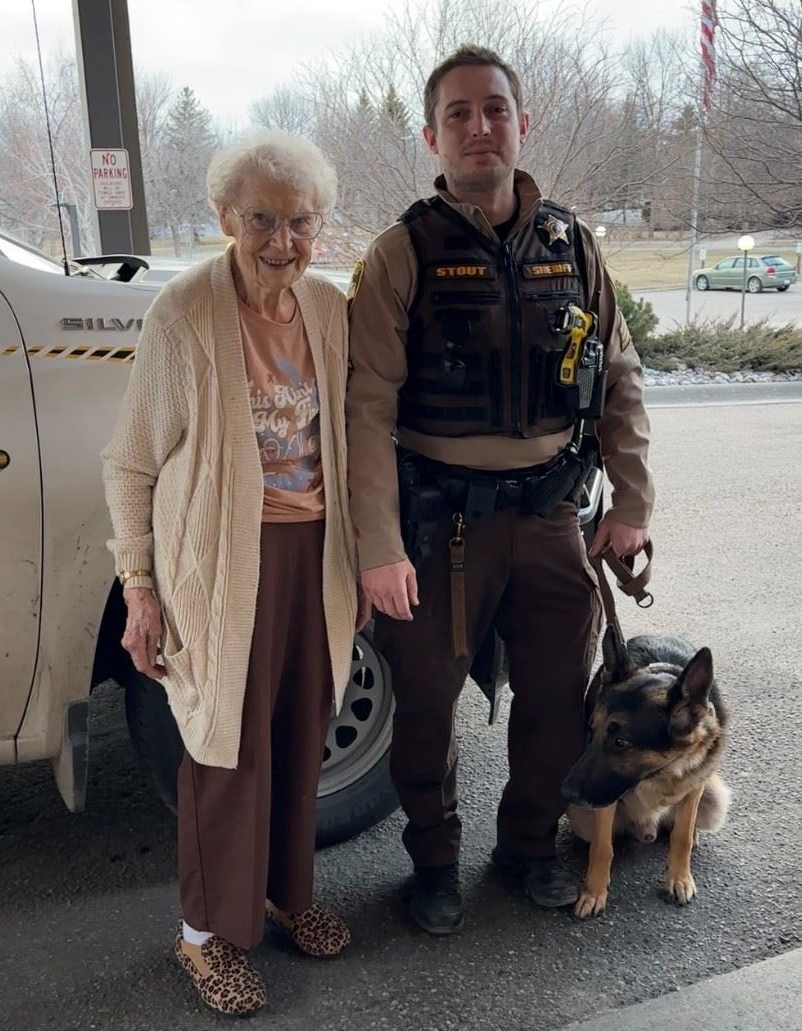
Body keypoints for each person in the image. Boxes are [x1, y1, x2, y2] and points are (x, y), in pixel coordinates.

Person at [346, 45, 654, 935]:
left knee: (558, 696)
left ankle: (525, 846)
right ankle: (433, 860)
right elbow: (366, 409)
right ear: (432, 135)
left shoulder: (574, 245)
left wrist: (631, 502)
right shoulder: (400, 253)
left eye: (495, 110)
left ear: (524, 123)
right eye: (458, 114)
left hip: (555, 513)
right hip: (440, 524)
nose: (479, 127)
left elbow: (620, 377)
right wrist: (378, 544)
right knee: (427, 701)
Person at [102, 131, 364, 1016]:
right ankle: (203, 936)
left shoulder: (330, 310)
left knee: (299, 734)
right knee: (224, 748)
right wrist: (139, 585)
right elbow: (131, 462)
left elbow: (349, 444)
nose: (280, 239)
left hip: (314, 556)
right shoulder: (182, 314)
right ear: (225, 218)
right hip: (220, 564)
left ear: (318, 227)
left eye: (299, 221)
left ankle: (288, 894)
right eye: (261, 218)